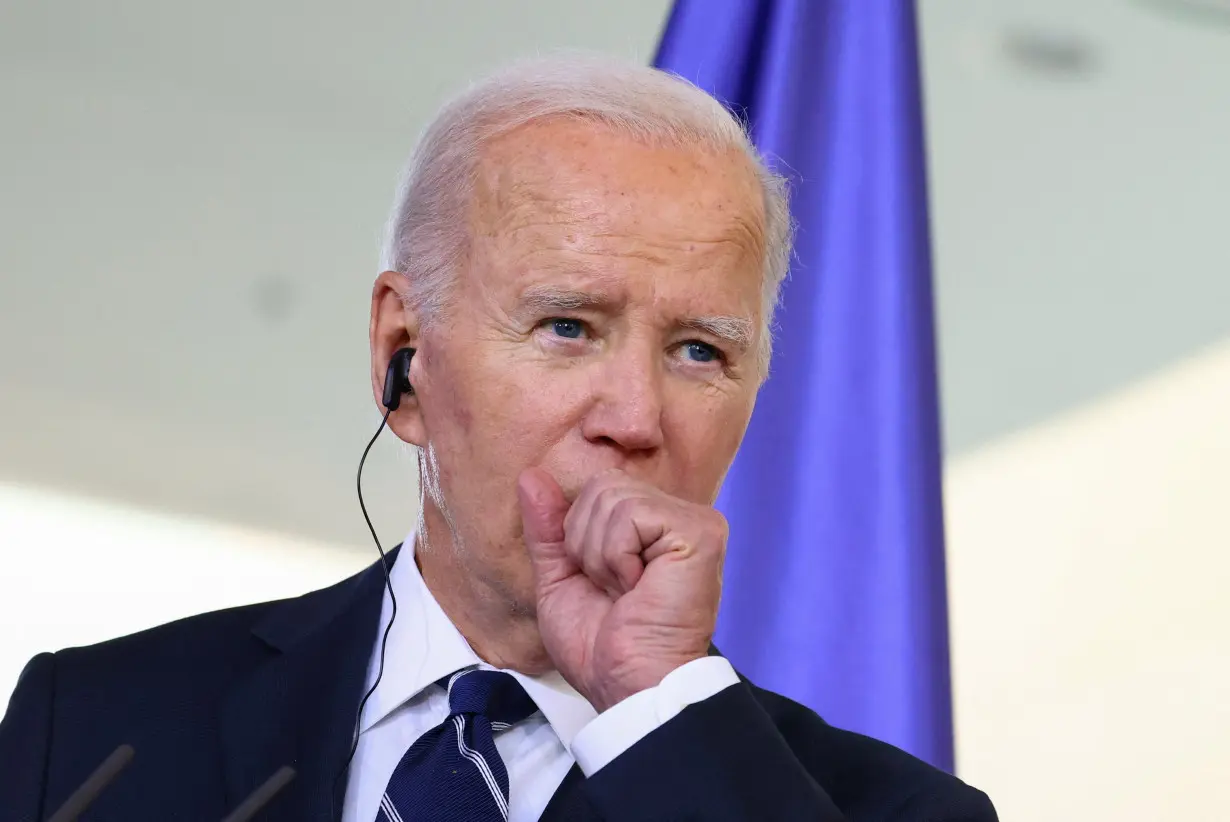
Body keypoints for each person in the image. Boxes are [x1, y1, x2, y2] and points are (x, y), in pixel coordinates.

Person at [0, 55, 996, 822]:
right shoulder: (92, 725)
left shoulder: (897, 810)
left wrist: (654, 702)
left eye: (699, 351)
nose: (636, 419)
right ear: (405, 356)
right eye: (568, 327)